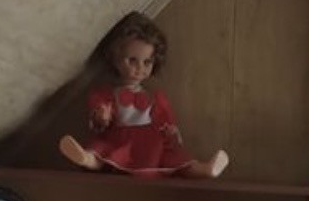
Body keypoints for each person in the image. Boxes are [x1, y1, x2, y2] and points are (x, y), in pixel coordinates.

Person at [58, 11, 229, 178]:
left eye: (147, 62)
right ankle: (85, 158)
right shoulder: (107, 95)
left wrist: (171, 133)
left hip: (151, 144)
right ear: (115, 59)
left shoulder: (155, 98)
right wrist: (102, 117)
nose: (140, 68)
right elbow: (98, 123)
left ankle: (204, 169)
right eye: (132, 60)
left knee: (174, 159)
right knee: (102, 150)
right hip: (120, 141)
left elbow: (166, 121)